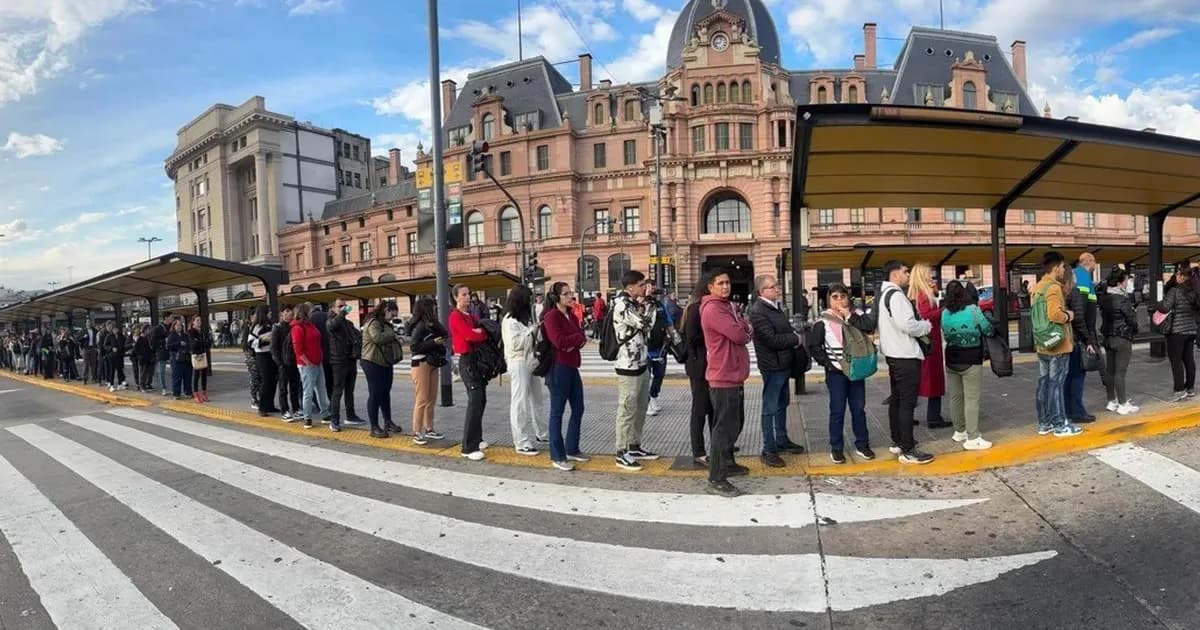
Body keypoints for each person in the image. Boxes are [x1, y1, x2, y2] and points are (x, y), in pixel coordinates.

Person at [808, 283, 877, 463]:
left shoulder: (857, 316)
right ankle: (836, 447)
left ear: (848, 298)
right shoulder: (823, 321)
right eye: (835, 297)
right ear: (828, 300)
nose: (839, 300)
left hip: (856, 370)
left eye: (842, 296)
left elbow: (870, 326)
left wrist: (849, 315)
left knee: (859, 409)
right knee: (837, 410)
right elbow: (814, 346)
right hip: (836, 373)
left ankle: (863, 444)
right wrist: (827, 363)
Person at [701, 270, 753, 497]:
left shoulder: (727, 307)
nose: (725, 287)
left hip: (733, 374)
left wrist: (744, 326)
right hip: (722, 375)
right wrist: (744, 327)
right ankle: (716, 478)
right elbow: (741, 335)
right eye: (720, 283)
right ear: (710, 287)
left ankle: (728, 463)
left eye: (727, 282)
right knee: (724, 429)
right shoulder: (713, 309)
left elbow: (745, 327)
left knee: (736, 423)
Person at [877, 260, 935, 464]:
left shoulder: (884, 295)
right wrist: (925, 326)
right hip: (905, 355)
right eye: (905, 271)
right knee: (907, 403)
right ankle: (908, 449)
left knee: (897, 399)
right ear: (894, 275)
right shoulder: (897, 296)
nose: (908, 275)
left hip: (894, 354)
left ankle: (898, 441)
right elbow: (907, 325)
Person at [748, 274, 806, 468]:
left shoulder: (775, 307)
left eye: (777, 286)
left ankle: (781, 439)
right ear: (762, 291)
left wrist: (791, 335)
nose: (777, 289)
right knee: (770, 406)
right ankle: (768, 448)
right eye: (773, 287)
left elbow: (784, 330)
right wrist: (795, 339)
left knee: (782, 403)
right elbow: (771, 339)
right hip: (772, 365)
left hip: (783, 362)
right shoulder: (758, 311)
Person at [610, 270, 659, 471]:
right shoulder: (622, 305)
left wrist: (646, 303)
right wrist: (649, 302)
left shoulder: (634, 304)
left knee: (640, 407)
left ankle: (634, 445)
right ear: (630, 287)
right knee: (627, 409)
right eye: (641, 285)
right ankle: (621, 451)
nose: (644, 288)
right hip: (627, 364)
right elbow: (646, 324)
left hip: (641, 361)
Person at [1032, 251, 1082, 436]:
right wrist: (1069, 315)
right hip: (1057, 344)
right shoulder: (1053, 288)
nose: (1063, 270)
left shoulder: (1037, 287)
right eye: (1061, 267)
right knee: (1056, 384)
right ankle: (1060, 424)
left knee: (1044, 383)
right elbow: (1054, 314)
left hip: (1043, 342)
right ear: (1055, 268)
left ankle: (1044, 423)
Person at [941, 280, 994, 450]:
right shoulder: (973, 310)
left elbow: (946, 333)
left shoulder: (944, 313)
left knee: (956, 397)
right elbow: (987, 329)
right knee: (971, 399)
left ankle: (959, 431)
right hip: (970, 358)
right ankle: (973, 437)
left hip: (951, 358)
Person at [543, 281, 589, 471]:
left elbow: (582, 337)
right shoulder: (551, 316)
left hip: (572, 365)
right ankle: (557, 454)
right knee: (557, 411)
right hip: (558, 367)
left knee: (578, 407)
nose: (570, 297)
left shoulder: (571, 316)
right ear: (556, 297)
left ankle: (572, 448)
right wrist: (575, 340)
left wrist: (575, 341)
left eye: (571, 293)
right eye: (566, 294)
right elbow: (559, 342)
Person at [501, 285, 548, 456]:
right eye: (528, 299)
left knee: (537, 398)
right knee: (519, 401)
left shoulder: (524, 318)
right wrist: (532, 331)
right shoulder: (510, 320)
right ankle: (520, 441)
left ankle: (541, 432)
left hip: (530, 360)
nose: (531, 302)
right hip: (518, 361)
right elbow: (515, 345)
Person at [450, 284, 491, 460]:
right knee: (475, 401)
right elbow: (470, 335)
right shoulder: (455, 316)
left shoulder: (472, 316)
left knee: (481, 400)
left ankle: (477, 438)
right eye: (464, 294)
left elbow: (484, 331)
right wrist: (479, 332)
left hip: (476, 360)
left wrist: (479, 331)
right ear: (456, 297)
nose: (468, 297)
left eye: (469, 294)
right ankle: (468, 447)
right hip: (467, 360)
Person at [909, 263, 950, 429]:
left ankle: (909, 414)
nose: (932, 277)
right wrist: (943, 310)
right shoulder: (923, 295)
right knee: (934, 378)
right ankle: (934, 417)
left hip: (922, 341)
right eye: (929, 274)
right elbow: (927, 315)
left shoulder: (916, 293)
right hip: (930, 340)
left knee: (917, 381)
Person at [361, 300, 404, 439]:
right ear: (386, 310)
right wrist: (393, 334)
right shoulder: (373, 322)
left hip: (384, 362)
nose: (392, 318)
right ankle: (374, 427)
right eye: (392, 314)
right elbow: (377, 338)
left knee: (385, 392)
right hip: (372, 361)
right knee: (375, 394)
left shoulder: (385, 324)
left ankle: (388, 422)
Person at [683, 281, 714, 467]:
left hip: (709, 364)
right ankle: (698, 450)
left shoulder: (705, 308)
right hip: (698, 364)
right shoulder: (696, 309)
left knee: (713, 407)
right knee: (700, 409)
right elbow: (691, 337)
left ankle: (716, 443)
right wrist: (713, 333)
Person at [1100, 267, 1139, 414]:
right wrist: (1134, 329)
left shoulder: (1105, 298)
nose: (1127, 282)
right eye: (1126, 280)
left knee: (1110, 371)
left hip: (1108, 337)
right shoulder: (1122, 300)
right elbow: (1131, 320)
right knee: (1120, 372)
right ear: (1121, 282)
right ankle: (1123, 404)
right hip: (1122, 337)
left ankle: (1111, 401)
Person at [1157, 265, 1199, 401]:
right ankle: (1190, 388)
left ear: (1182, 277)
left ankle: (1179, 390)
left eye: (1177, 274)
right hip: (1191, 329)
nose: (1175, 276)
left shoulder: (1175, 291)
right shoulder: (1195, 292)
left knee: (1176, 361)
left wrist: (1158, 303)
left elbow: (1164, 308)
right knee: (1189, 360)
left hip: (1177, 331)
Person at [408, 297, 447, 443]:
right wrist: (433, 342)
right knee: (422, 398)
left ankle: (429, 428)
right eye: (433, 307)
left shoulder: (431, 324)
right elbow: (414, 347)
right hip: (421, 362)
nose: (435, 309)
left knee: (431, 398)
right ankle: (416, 431)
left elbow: (445, 333)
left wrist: (436, 326)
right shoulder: (419, 326)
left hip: (432, 362)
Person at [292, 302, 333, 430]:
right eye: (310, 311)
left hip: (317, 361)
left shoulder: (310, 325)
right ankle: (307, 417)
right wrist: (308, 362)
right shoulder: (297, 328)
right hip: (307, 364)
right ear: (304, 313)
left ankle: (325, 414)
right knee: (308, 392)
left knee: (321, 389)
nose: (312, 313)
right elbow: (298, 349)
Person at [1063, 269, 1097, 423]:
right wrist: (1088, 340)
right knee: (1077, 377)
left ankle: (1067, 410)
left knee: (1066, 377)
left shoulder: (1059, 292)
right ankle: (1077, 412)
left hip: (1062, 341)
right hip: (1075, 340)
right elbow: (1079, 319)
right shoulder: (1074, 292)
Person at [327, 298, 364, 425]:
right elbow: (332, 326)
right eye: (340, 306)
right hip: (338, 361)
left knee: (350, 390)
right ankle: (334, 419)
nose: (343, 308)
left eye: (345, 306)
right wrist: (342, 314)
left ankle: (351, 415)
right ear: (333, 309)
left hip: (350, 359)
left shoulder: (348, 323)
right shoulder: (331, 321)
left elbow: (357, 335)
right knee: (338, 391)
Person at [643, 280, 673, 417]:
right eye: (651, 289)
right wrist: (645, 298)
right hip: (645, 348)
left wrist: (677, 341)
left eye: (655, 289)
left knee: (659, 374)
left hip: (660, 347)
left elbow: (669, 323)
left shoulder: (660, 306)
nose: (653, 292)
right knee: (646, 376)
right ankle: (647, 402)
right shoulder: (640, 305)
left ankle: (653, 395)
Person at [247, 305, 279, 417]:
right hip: (262, 356)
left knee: (273, 381)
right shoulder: (257, 326)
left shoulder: (271, 324)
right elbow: (250, 343)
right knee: (265, 381)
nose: (270, 313)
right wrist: (262, 339)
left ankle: (270, 405)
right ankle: (262, 407)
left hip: (271, 354)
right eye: (268, 311)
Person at [272, 305, 302, 421]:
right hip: (283, 363)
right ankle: (284, 410)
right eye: (287, 311)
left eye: (291, 312)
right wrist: (279, 363)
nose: (289, 314)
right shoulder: (278, 327)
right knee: (283, 388)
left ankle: (296, 408)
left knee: (295, 386)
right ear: (282, 314)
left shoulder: (294, 326)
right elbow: (274, 348)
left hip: (294, 361)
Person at [309, 305, 333, 401]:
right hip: (329, 352)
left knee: (316, 381)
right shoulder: (326, 316)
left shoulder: (310, 319)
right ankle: (329, 399)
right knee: (329, 378)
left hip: (316, 352)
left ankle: (317, 400)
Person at [166, 318, 193, 400]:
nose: (179, 327)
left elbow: (189, 344)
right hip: (176, 359)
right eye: (177, 325)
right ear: (174, 326)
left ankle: (187, 391)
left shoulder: (185, 335)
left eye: (180, 325)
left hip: (186, 358)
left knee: (187, 376)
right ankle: (176, 393)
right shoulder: (171, 335)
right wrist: (179, 343)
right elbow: (168, 346)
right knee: (177, 377)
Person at [188, 316, 212, 403]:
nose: (199, 322)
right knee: (196, 375)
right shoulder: (191, 332)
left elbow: (208, 343)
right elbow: (194, 344)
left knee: (204, 375)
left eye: (200, 320)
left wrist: (202, 343)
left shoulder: (201, 332)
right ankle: (196, 394)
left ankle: (204, 393)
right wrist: (203, 343)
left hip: (203, 354)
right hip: (196, 355)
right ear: (193, 322)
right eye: (197, 321)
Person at [101, 321, 126, 391]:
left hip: (119, 355)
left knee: (120, 370)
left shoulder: (121, 336)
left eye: (117, 329)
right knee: (112, 371)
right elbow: (105, 345)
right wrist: (111, 348)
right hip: (111, 356)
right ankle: (111, 384)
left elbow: (124, 344)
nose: (115, 330)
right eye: (114, 329)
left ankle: (120, 384)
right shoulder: (109, 336)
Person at [150, 314, 170, 396]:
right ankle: (163, 388)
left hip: (170, 351)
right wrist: (163, 341)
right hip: (161, 351)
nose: (172, 319)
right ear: (166, 318)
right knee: (161, 371)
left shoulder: (171, 327)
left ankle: (169, 387)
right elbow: (153, 342)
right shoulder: (158, 328)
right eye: (171, 318)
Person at [133, 325, 155, 392]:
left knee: (148, 373)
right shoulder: (140, 338)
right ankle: (142, 386)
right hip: (142, 359)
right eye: (148, 329)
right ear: (145, 330)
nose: (149, 331)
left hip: (148, 358)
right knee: (142, 373)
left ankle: (147, 385)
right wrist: (140, 356)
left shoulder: (148, 338)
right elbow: (136, 349)